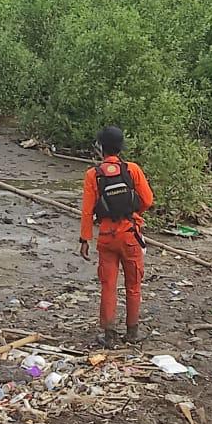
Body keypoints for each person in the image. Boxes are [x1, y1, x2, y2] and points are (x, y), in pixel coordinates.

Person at [79, 126, 154, 346]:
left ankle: (110, 334)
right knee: (133, 285)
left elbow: (87, 210)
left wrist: (85, 239)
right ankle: (132, 332)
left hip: (106, 236)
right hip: (130, 234)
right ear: (121, 147)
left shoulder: (93, 175)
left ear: (100, 148)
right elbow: (148, 200)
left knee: (108, 285)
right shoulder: (132, 170)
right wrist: (131, 214)